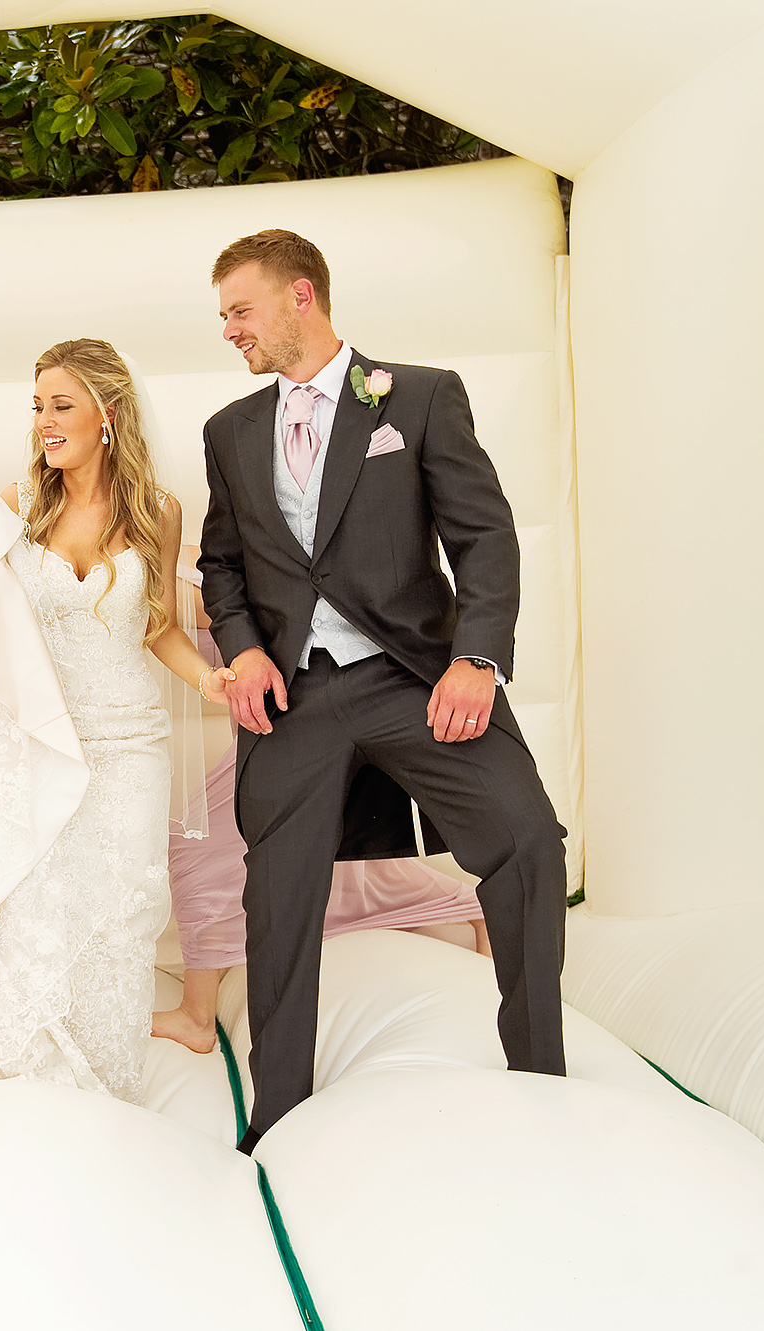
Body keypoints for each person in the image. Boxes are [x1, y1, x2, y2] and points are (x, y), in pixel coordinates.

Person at [201, 230, 567, 1148]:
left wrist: (476, 660)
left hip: (415, 676)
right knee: (277, 895)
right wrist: (242, 649)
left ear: (301, 296)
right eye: (223, 317)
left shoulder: (421, 396)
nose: (230, 331)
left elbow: (484, 538)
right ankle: (277, 1115)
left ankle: (543, 1073)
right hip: (295, 696)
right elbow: (222, 565)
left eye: (240, 310)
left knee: (526, 841)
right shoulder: (230, 432)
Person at [0, 339, 231, 1105]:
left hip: (128, 746)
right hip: (30, 741)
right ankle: (18, 1090)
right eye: (37, 407)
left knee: (114, 921)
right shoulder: (15, 507)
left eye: (61, 405)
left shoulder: (159, 511)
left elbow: (159, 627)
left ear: (108, 414)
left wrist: (211, 677)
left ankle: (102, 1096)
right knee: (31, 916)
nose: (44, 422)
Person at [151, 545, 489, 1054]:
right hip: (267, 734)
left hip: (298, 729)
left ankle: (197, 1015)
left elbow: (208, 611)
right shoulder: (195, 573)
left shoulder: (202, 576)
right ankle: (475, 909)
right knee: (353, 868)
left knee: (200, 848)